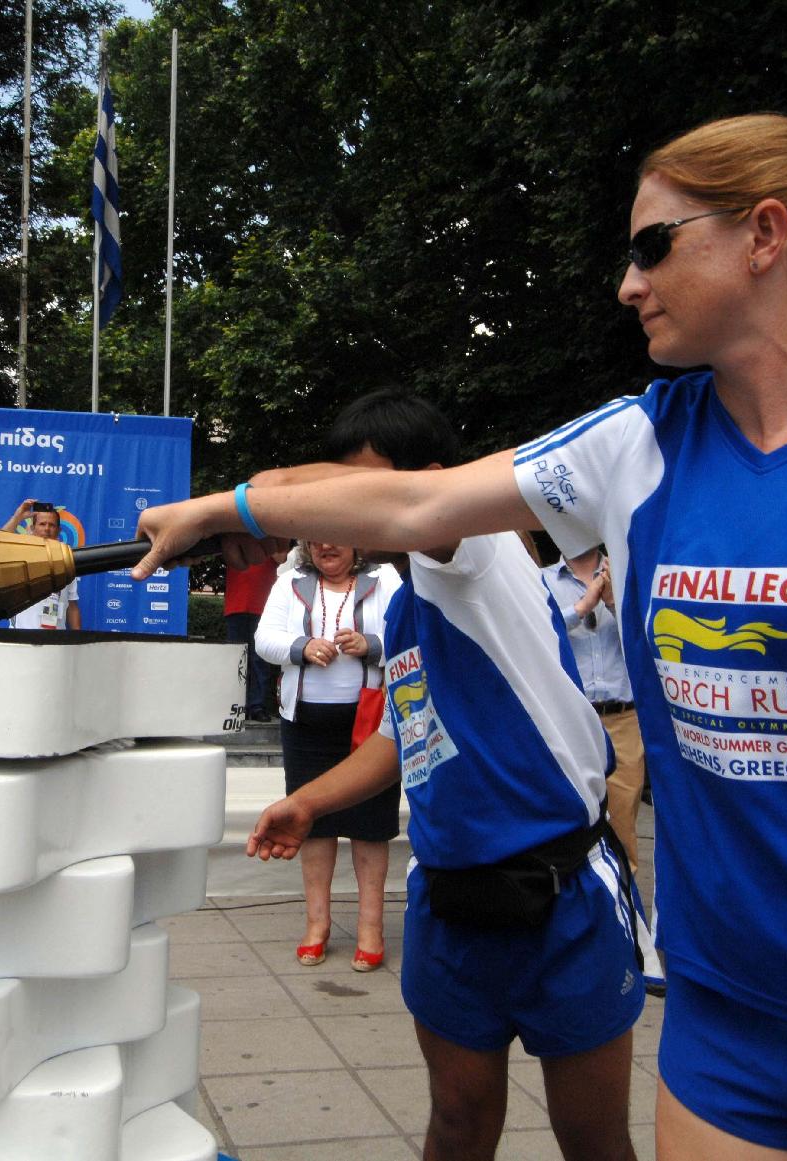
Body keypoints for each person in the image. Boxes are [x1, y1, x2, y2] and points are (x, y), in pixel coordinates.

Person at [136, 114, 787, 1159]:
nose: (629, 284)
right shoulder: (636, 440)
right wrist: (223, 509)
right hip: (721, 1013)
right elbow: (412, 505)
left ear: (764, 235)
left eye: (652, 245)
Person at [248, 389, 643, 1160]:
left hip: (561, 895)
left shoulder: (478, 548)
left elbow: (294, 491)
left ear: (429, 483)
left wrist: (226, 507)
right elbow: (407, 733)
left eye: (361, 494)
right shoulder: (401, 611)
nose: (342, 517)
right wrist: (308, 801)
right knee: (456, 1126)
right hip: (449, 900)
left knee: (592, 1140)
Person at [254, 535, 394, 970]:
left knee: (370, 827)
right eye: (315, 541)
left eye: (335, 538)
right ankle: (318, 925)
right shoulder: (289, 581)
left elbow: (411, 635)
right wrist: (301, 647)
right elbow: (264, 640)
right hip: (306, 724)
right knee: (311, 823)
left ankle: (371, 929)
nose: (325, 547)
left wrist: (370, 644)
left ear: (357, 542)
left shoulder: (386, 576)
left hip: (371, 724)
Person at [543, 546, 647, 873]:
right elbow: (533, 631)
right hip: (569, 718)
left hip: (623, 719)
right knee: (569, 820)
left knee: (622, 823)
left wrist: (615, 603)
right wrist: (582, 607)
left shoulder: (628, 572)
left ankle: (627, 913)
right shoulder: (541, 580)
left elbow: (650, 635)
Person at [0, 499, 80, 630]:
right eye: (42, 524)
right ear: (32, 528)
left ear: (59, 531)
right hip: (22, 640)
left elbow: (72, 606)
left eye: (51, 525)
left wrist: (78, 640)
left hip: (55, 642)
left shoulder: (67, 561)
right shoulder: (19, 555)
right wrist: (17, 517)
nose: (47, 529)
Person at [225, 554, 280, 722]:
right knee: (236, 659)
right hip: (236, 603)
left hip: (263, 605)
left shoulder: (270, 534)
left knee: (259, 660)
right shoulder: (233, 534)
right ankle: (235, 705)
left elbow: (281, 557)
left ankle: (257, 706)